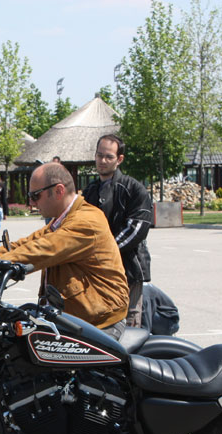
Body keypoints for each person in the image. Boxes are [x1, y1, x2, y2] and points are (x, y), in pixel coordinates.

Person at [0, 162, 128, 337]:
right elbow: (23, 245)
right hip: (75, 319)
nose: (31, 201)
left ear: (59, 191)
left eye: (35, 195)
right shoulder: (62, 220)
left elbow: (40, 250)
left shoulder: (86, 221)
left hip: (101, 324)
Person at [83, 134, 153, 328]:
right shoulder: (90, 190)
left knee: (130, 326)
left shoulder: (135, 189)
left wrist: (105, 252)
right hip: (97, 273)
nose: (102, 161)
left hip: (128, 270)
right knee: (99, 326)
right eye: (99, 155)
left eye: (108, 157)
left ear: (119, 159)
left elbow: (137, 229)